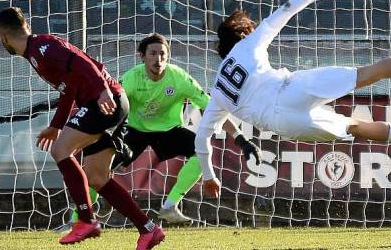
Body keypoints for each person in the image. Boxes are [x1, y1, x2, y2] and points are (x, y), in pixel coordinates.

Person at [195, 0, 391, 197]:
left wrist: (208, 177)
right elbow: (284, 11)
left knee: (354, 126)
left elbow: (202, 138)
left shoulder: (218, 89)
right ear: (244, 33)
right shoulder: (248, 45)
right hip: (291, 87)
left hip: (283, 122)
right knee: (367, 74)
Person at [0, 7, 164, 249]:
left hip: (104, 101)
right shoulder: (35, 52)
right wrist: (56, 126)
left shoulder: (43, 47)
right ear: (26, 26)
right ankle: (148, 229)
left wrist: (102, 88)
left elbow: (83, 62)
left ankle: (86, 220)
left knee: (61, 151)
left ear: (3, 37)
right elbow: (70, 88)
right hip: (108, 102)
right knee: (97, 177)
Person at [65, 34, 258, 225]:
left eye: (162, 54)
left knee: (201, 153)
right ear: (142, 56)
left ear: (168, 56)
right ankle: (78, 220)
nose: (158, 59)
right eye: (152, 53)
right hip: (133, 130)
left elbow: (212, 110)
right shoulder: (132, 78)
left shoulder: (179, 78)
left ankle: (169, 206)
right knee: (99, 172)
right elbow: (111, 105)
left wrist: (241, 139)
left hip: (168, 131)